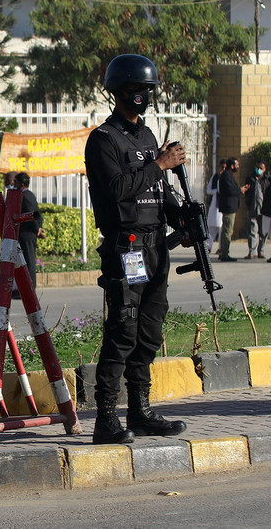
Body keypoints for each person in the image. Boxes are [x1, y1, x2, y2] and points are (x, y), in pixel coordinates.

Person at [84, 54, 187, 445]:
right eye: (135, 89)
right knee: (122, 331)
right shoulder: (104, 140)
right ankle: (106, 417)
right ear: (117, 91)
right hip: (126, 249)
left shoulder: (146, 137)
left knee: (148, 332)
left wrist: (184, 220)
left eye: (147, 89)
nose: (142, 95)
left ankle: (140, 411)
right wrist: (160, 164)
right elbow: (115, 192)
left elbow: (157, 192)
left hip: (157, 247)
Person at [14, 172, 45, 293]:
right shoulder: (29, 194)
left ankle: (30, 288)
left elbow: (31, 213)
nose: (13, 185)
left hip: (26, 234)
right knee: (25, 261)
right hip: (28, 233)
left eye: (16, 183)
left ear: (21, 184)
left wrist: (36, 229)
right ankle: (25, 287)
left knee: (28, 261)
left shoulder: (25, 196)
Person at [242, 161, 270, 259]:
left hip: (264, 209)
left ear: (265, 169)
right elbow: (246, 193)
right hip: (252, 208)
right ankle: (252, 251)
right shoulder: (250, 179)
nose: (259, 169)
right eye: (257, 167)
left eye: (261, 168)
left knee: (263, 232)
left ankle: (261, 251)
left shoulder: (267, 180)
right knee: (252, 231)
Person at [217, 157, 242, 262]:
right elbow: (230, 191)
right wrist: (240, 190)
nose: (238, 167)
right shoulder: (226, 176)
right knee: (228, 231)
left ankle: (223, 252)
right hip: (228, 208)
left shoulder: (228, 175)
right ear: (232, 166)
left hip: (230, 207)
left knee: (226, 231)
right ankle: (224, 254)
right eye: (236, 165)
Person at [205, 159, 225, 253]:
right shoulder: (215, 177)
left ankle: (221, 248)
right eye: (222, 167)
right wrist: (216, 191)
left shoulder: (227, 177)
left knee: (221, 228)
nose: (223, 169)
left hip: (222, 205)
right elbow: (208, 190)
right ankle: (208, 246)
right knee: (211, 226)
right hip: (214, 204)